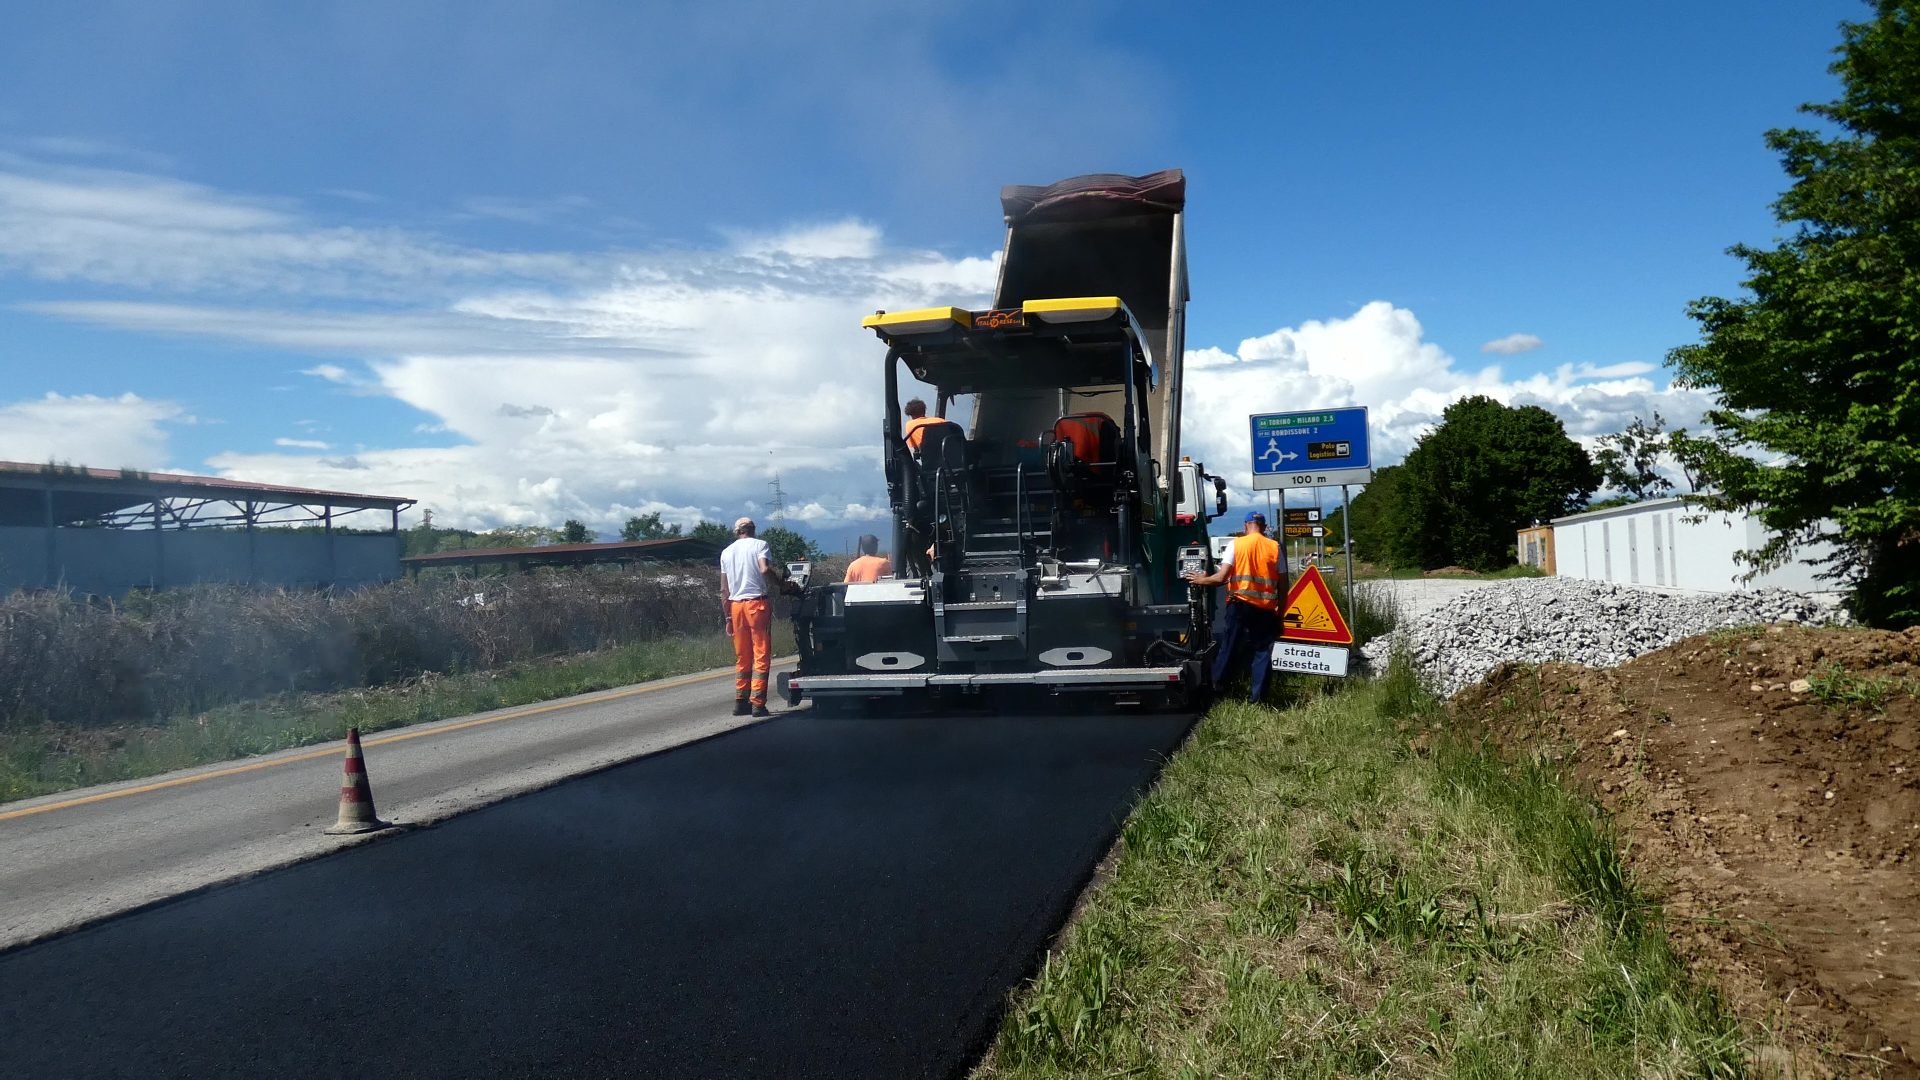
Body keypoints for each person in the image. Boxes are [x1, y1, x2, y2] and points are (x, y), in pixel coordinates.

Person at [1184, 510, 1286, 704]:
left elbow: (1221, 578)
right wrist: (1280, 615)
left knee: (1229, 646)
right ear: (1263, 527)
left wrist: (1201, 579)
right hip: (1265, 609)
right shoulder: (1274, 547)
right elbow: (1283, 586)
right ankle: (1258, 699)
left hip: (1239, 605)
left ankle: (1218, 691)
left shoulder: (1236, 544)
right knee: (1262, 651)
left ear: (1245, 525)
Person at [719, 516, 776, 717]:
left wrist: (727, 618)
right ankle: (758, 703)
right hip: (756, 604)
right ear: (753, 529)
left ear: (737, 531)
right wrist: (780, 583)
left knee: (742, 656)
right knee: (760, 653)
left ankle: (740, 701)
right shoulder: (760, 545)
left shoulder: (726, 552)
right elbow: (764, 569)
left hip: (736, 607)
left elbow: (724, 590)